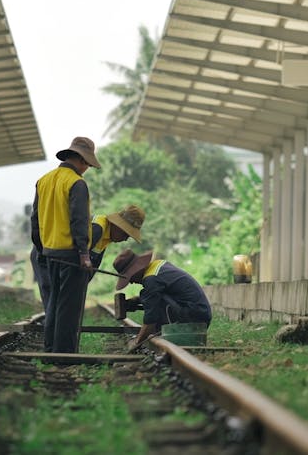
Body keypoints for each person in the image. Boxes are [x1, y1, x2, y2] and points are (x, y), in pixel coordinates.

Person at [30, 136, 101, 353]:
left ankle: (50, 347)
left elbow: (35, 220)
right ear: (81, 160)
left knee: (54, 302)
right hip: (72, 254)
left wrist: (42, 249)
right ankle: (64, 352)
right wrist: (84, 254)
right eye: (87, 164)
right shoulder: (76, 183)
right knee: (69, 307)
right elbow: (79, 221)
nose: (87, 168)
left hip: (50, 252)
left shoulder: (44, 180)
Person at [113, 248, 212, 352]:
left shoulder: (151, 280)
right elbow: (155, 294)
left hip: (194, 319)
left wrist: (137, 342)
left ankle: (169, 334)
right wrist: (138, 301)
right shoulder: (158, 265)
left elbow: (150, 320)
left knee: (151, 299)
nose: (132, 282)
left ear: (136, 270)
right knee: (149, 296)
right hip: (200, 313)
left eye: (130, 278)